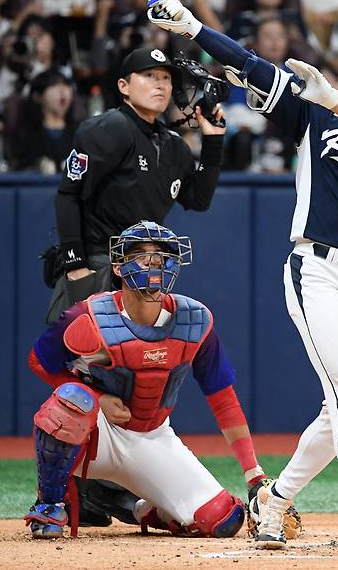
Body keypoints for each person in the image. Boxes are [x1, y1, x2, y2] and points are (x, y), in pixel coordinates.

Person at [147, 0, 338, 555]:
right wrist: (191, 26)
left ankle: (273, 501)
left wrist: (331, 98)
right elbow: (251, 65)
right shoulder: (313, 111)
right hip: (318, 270)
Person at [48, 45, 226, 526]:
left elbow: (199, 199)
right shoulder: (109, 129)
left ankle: (103, 491)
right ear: (124, 86)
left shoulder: (170, 144)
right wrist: (75, 266)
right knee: (84, 374)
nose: (161, 84)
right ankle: (64, 489)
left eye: (165, 77)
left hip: (142, 269)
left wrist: (213, 142)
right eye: (147, 75)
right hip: (100, 262)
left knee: (127, 377)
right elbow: (68, 193)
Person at [25, 221, 266, 539]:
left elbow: (223, 398)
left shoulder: (194, 321)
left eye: (161, 255)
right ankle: (50, 506)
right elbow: (39, 361)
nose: (153, 262)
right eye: (141, 254)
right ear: (119, 266)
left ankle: (127, 504)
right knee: (72, 398)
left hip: (151, 437)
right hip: (98, 435)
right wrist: (98, 399)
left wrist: (254, 475)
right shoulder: (89, 315)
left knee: (223, 519)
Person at [9, 70, 78, 173]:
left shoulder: (80, 134)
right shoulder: (25, 134)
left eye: (66, 85)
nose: (63, 91)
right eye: (54, 85)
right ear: (37, 96)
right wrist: (37, 167)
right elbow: (16, 167)